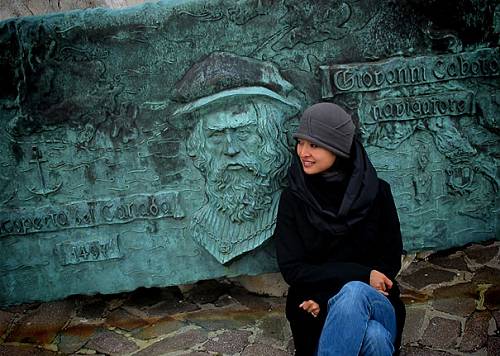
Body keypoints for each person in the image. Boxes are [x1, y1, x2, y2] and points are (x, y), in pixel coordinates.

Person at [274, 102, 405, 355]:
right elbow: (293, 269)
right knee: (375, 338)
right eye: (300, 142)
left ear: (339, 148)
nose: (303, 152)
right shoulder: (294, 199)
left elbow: (388, 262)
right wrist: (356, 278)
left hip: (375, 301)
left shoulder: (378, 193)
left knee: (355, 293)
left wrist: (356, 285)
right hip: (314, 304)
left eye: (314, 145)